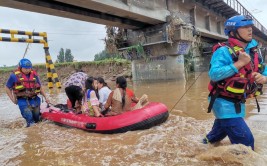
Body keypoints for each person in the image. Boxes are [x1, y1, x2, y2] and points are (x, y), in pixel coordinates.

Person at [204, 15, 267, 150]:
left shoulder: (254, 51)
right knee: (246, 144)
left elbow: (264, 69)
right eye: (244, 27)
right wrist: (239, 63)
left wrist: (264, 77)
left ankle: (201, 146)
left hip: (238, 101)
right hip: (222, 101)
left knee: (215, 137)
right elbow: (214, 74)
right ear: (233, 32)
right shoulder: (223, 51)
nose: (250, 30)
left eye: (250, 27)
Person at [5, 58, 50, 127]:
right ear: (20, 67)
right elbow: (7, 87)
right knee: (29, 118)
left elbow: (40, 87)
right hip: (22, 100)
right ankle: (31, 131)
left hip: (34, 99)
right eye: (25, 68)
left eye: (29, 68)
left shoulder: (34, 75)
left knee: (37, 119)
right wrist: (12, 99)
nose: (28, 70)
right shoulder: (14, 76)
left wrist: (46, 97)